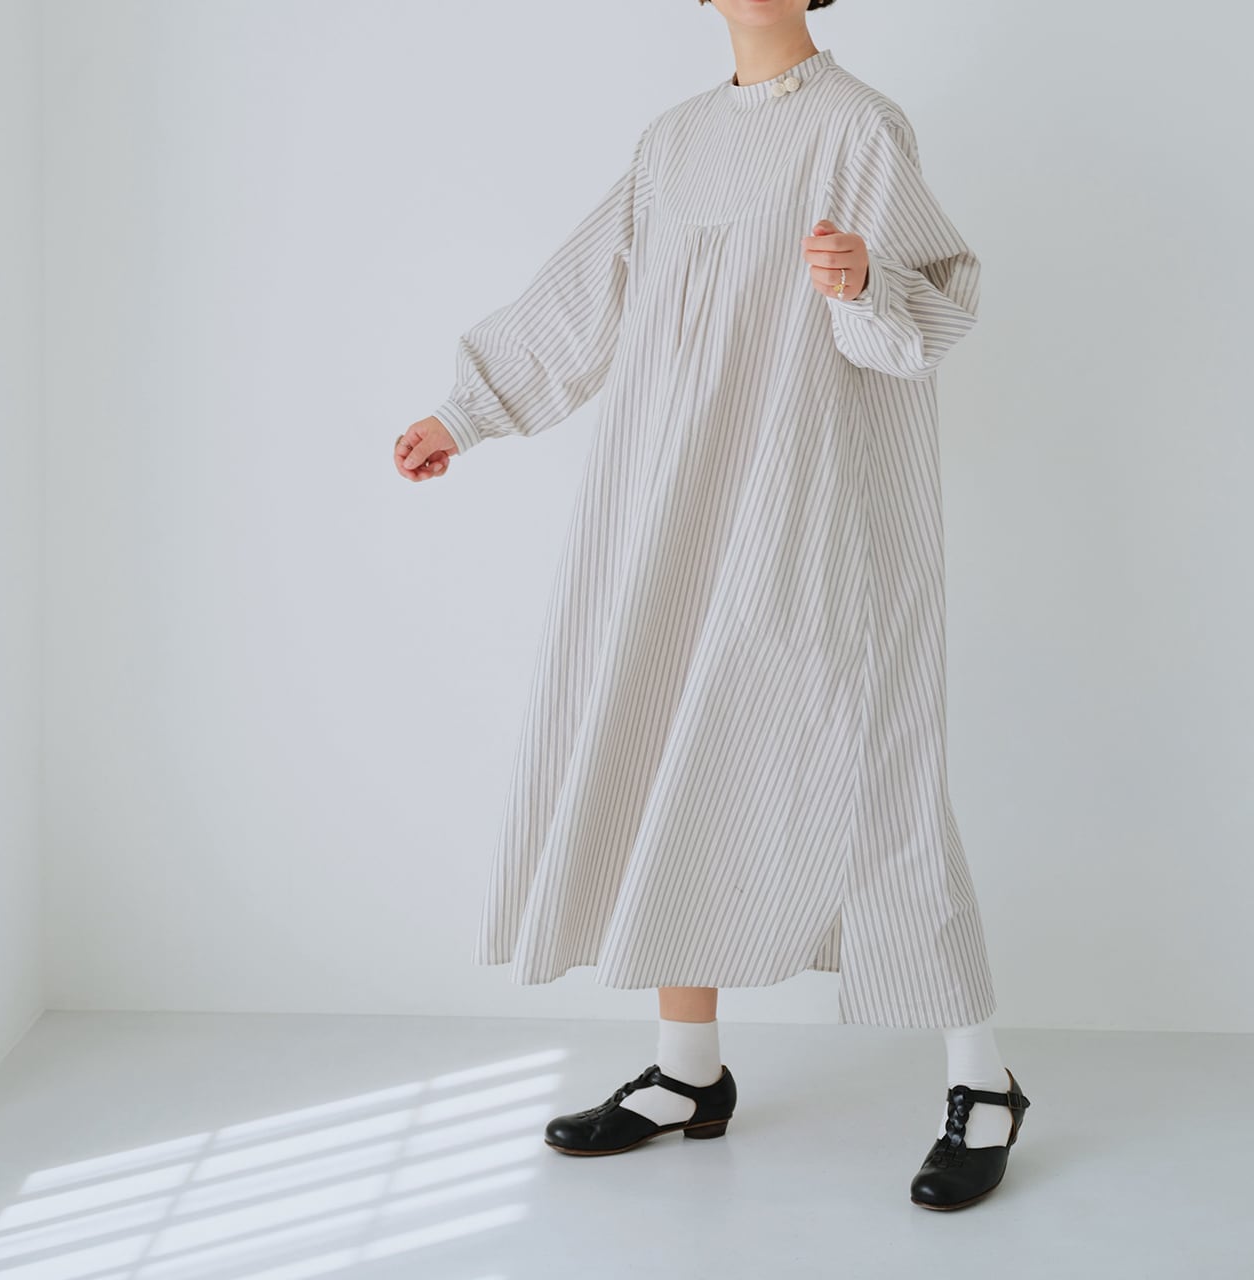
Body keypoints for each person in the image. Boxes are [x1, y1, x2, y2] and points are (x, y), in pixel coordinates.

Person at [393, 0, 1031, 1211]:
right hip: (665, 496)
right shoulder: (672, 141)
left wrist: (863, 280)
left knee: (874, 765)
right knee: (662, 741)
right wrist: (464, 413)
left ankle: (981, 1077)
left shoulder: (858, 127)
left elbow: (926, 318)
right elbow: (580, 295)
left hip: (808, 498)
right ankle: (687, 1068)